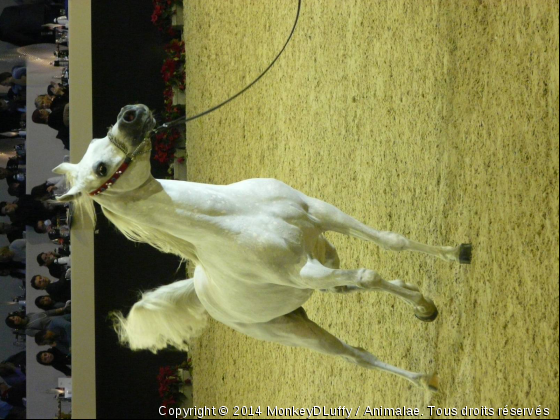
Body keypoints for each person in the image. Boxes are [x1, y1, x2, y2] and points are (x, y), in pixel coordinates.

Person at [4, 306, 70, 337]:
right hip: (58, 328)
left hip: (59, 318)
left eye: (13, 317)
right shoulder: (28, 330)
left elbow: (47, 313)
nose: (15, 319)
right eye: (13, 321)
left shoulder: (29, 315)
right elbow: (45, 334)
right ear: (15, 325)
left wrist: (62, 309)